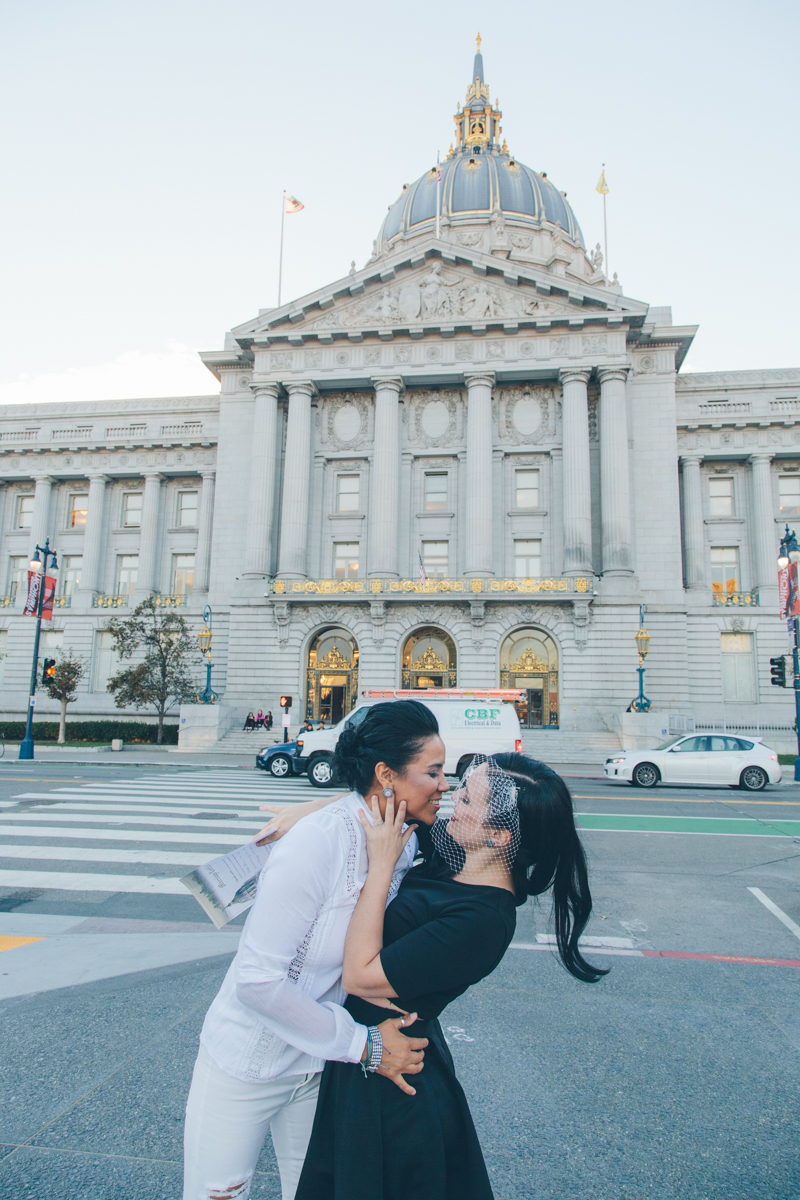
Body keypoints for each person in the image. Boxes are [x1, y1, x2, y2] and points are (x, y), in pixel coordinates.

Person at [293, 749, 607, 1200]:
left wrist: (382, 867)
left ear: (499, 836)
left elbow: (360, 977)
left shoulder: (481, 921)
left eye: (465, 800)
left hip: (392, 1087)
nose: (447, 799)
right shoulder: (455, 854)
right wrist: (297, 815)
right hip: (371, 1050)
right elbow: (378, 806)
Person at [183, 700, 450, 1200]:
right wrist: (365, 1045)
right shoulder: (317, 843)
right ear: (386, 775)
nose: (444, 783)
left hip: (318, 1063)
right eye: (433, 771)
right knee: (218, 1193)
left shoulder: (410, 838)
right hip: (248, 1061)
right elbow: (257, 981)